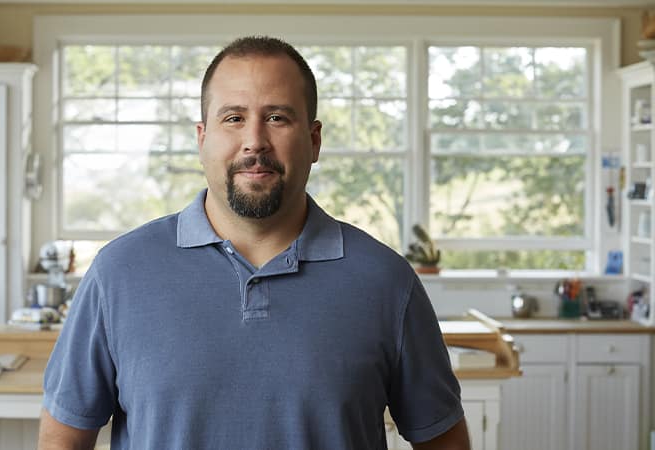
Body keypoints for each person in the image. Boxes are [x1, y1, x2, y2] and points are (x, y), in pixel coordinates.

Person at [38, 35, 470, 450]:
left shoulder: (387, 282)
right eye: (234, 118)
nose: (255, 141)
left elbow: (444, 442)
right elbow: (62, 439)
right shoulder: (118, 273)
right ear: (202, 138)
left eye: (277, 117)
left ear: (314, 140)